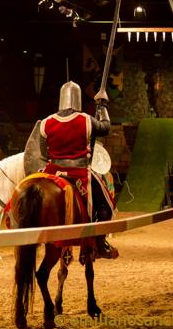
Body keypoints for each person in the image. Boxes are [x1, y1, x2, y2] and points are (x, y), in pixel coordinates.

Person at [39, 81, 117, 259]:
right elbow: (105, 128)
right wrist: (103, 105)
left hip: (52, 171)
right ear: (78, 99)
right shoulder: (86, 119)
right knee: (106, 206)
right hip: (80, 172)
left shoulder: (46, 122)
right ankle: (99, 242)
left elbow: (44, 153)